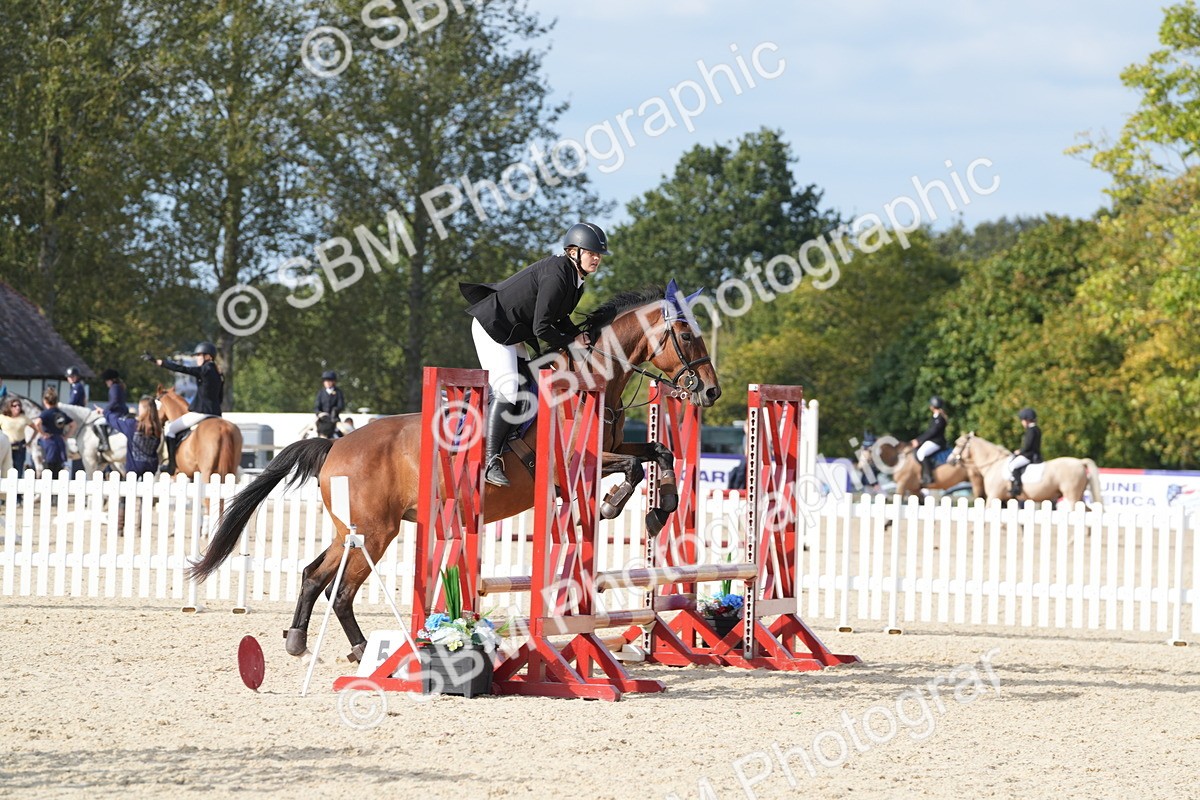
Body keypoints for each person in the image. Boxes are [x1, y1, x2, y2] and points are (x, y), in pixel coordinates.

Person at [460, 222, 608, 486]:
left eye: (599, 254)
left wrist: (577, 335)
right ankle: (490, 459)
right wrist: (571, 342)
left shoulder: (575, 282)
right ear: (573, 251)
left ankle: (509, 444)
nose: (596, 258)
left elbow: (559, 319)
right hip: (492, 327)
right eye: (591, 252)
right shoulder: (557, 274)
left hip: (512, 333)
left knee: (528, 386)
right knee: (508, 390)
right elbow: (542, 327)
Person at [144, 342, 224, 474]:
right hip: (217, 414)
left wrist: (159, 362)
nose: (197, 358)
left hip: (202, 412)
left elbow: (182, 369)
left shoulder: (205, 369)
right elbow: (220, 397)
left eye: (199, 355)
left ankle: (171, 465)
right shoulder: (219, 373)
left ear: (208, 357)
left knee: (170, 428)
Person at [103, 396, 163, 477]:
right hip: (151, 467)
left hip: (134, 468)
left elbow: (114, 421)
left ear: (143, 409)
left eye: (139, 407)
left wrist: (105, 412)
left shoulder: (132, 425)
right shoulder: (157, 428)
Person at [32, 387, 72, 475]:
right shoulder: (60, 413)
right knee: (59, 468)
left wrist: (43, 433)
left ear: (45, 401)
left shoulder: (46, 413)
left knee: (48, 468)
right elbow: (73, 424)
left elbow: (37, 423)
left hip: (49, 442)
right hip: (60, 441)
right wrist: (66, 436)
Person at [910, 396, 948, 487]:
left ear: (932, 407)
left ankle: (928, 476)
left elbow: (932, 432)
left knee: (921, 453)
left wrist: (918, 440)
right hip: (933, 441)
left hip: (937, 442)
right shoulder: (936, 417)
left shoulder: (939, 418)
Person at [1006, 407, 1042, 497]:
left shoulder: (1030, 430)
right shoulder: (1037, 429)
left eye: (1022, 420)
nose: (1022, 423)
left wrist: (1019, 451)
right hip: (1035, 454)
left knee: (1012, 465)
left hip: (1028, 455)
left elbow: (1027, 445)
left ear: (1026, 420)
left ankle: (1017, 487)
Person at [93, 369, 128, 453]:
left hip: (117, 413)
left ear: (112, 380)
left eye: (107, 381)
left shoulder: (114, 387)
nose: (106, 383)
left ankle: (105, 444)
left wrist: (103, 411)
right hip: (122, 411)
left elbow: (114, 402)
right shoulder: (119, 386)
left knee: (97, 423)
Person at [1, 397, 31, 476]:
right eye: (14, 406)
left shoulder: (23, 418)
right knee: (5, 469)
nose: (17, 407)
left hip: (19, 447)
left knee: (18, 470)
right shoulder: (2, 417)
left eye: (19, 405)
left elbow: (36, 428)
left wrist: (30, 441)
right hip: (6, 447)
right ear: (9, 407)